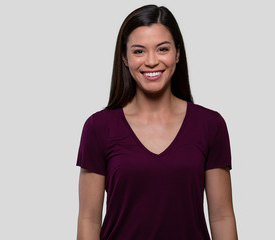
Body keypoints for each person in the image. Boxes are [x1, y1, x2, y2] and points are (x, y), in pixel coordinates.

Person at [76, 4, 238, 240]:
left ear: (178, 53)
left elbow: (221, 216)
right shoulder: (98, 128)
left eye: (162, 49)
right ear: (124, 57)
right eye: (139, 51)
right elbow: (88, 218)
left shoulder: (210, 125)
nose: (151, 61)